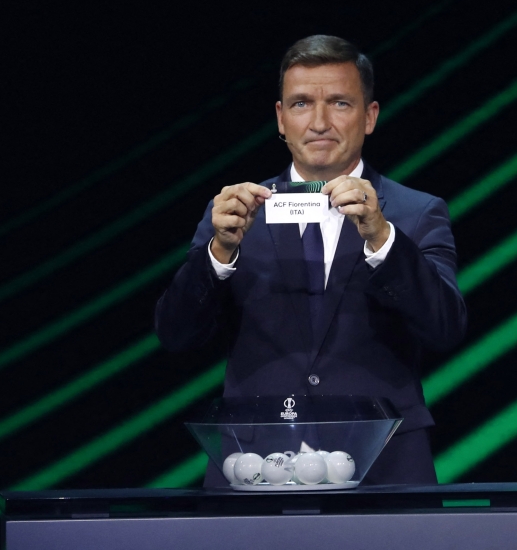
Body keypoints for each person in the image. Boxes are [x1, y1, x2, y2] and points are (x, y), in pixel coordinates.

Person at [156, 35, 467, 485]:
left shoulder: (414, 214)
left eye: (340, 103)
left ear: (370, 117)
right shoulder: (233, 213)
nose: (319, 122)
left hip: (386, 468)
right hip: (255, 467)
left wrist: (382, 238)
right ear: (281, 119)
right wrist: (218, 253)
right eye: (301, 104)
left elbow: (445, 327)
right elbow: (176, 335)